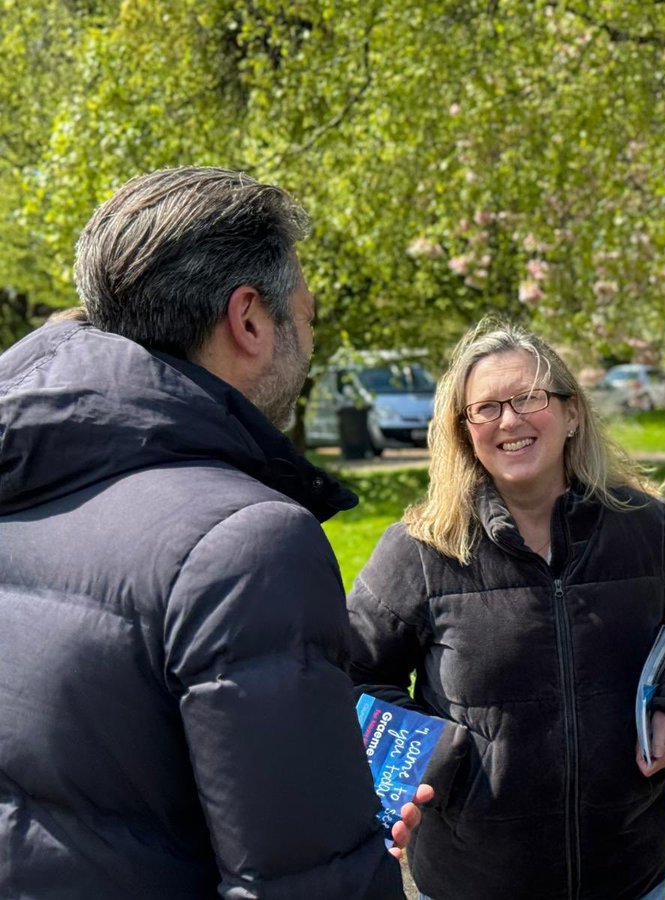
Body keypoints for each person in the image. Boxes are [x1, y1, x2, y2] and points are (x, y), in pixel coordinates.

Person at [0, 166, 428, 898]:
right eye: (308, 316)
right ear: (251, 320)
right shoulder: (249, 543)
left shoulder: (20, 478)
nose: (310, 343)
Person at [345, 320, 665, 900]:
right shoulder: (420, 549)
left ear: (572, 413)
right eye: (486, 409)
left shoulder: (649, 528)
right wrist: (436, 755)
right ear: (464, 431)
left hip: (627, 873)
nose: (509, 420)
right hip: (472, 880)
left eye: (529, 398)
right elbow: (351, 672)